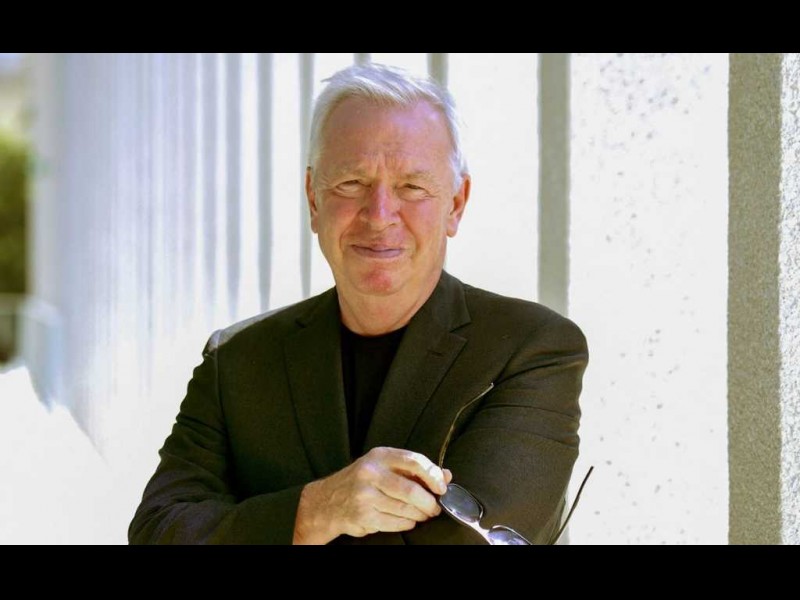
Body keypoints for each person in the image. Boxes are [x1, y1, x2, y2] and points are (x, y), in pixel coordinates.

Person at [128, 62, 589, 545]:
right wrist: (315, 510)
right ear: (313, 199)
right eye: (351, 183)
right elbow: (159, 530)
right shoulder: (236, 360)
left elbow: (477, 540)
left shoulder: (532, 350)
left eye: (412, 187)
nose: (380, 215)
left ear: (456, 204)